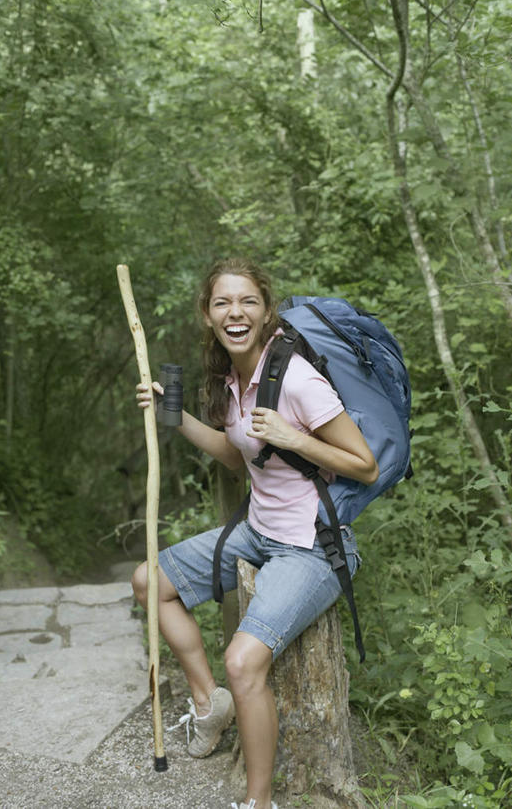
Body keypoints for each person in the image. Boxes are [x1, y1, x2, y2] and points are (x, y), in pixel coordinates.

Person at [133, 259, 378, 809]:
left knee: (243, 661)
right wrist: (172, 416)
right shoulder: (232, 376)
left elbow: (363, 465)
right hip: (257, 531)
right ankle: (207, 705)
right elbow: (239, 456)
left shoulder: (294, 376)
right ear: (208, 314)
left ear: (267, 311)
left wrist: (297, 435)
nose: (234, 312)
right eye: (222, 303)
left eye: (247, 302)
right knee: (151, 582)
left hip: (312, 546)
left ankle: (258, 802)